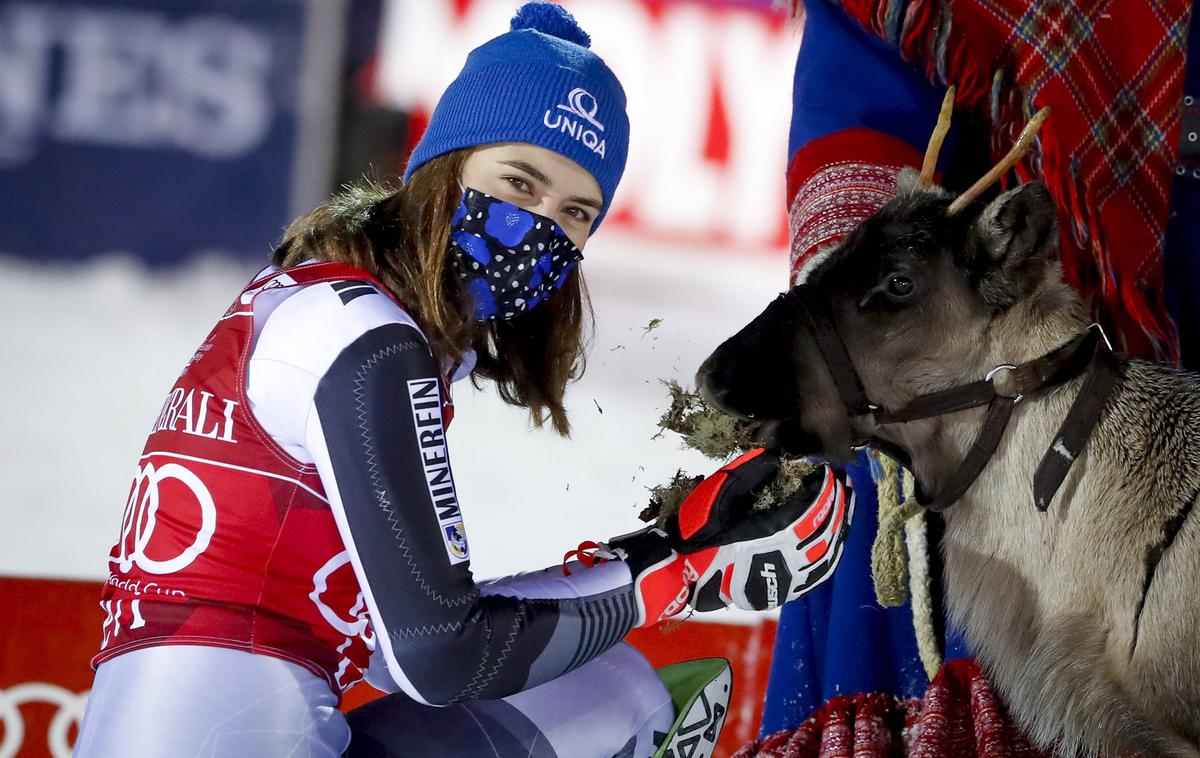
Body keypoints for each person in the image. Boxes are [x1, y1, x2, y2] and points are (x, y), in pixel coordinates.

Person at [72, 3, 853, 756]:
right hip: (242, 726)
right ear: (443, 169)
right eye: (518, 182)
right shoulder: (367, 341)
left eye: (576, 211)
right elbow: (439, 654)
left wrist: (662, 554)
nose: (542, 224)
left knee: (610, 684)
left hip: (227, 716)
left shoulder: (333, 304)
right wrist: (678, 572)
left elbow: (396, 636)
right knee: (620, 700)